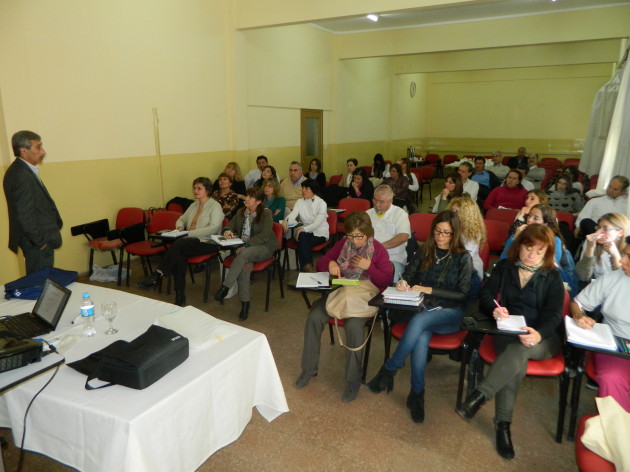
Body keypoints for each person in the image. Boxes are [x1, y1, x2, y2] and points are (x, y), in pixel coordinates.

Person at [457, 224, 565, 460]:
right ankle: (502, 425)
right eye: (528, 248)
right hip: (508, 331)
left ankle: (480, 397)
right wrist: (494, 311)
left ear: (547, 252)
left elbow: (554, 316)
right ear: (520, 246)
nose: (532, 255)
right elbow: (486, 296)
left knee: (517, 353)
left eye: (539, 251)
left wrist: (538, 334)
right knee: (515, 361)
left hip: (543, 337)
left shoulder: (553, 276)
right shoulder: (505, 267)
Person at [366, 211, 472, 423]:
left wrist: (429, 289)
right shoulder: (425, 250)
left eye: (446, 233)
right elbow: (408, 275)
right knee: (421, 335)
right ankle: (417, 394)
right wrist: (403, 283)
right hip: (422, 308)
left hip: (450, 313)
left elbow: (463, 293)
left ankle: (390, 369)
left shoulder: (462, 257)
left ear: (455, 234)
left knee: (419, 322)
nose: (440, 236)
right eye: (437, 231)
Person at [295, 211, 392, 402]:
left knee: (353, 327)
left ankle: (353, 381)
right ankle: (308, 369)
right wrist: (330, 262)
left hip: (363, 296)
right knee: (314, 317)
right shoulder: (342, 244)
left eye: (359, 236)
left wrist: (369, 267)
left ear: (368, 234)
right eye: (351, 236)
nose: (354, 241)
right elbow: (322, 264)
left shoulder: (379, 250)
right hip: (341, 292)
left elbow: (386, 280)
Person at [137, 177, 223, 306]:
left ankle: (157, 275)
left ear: (208, 190)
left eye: (199, 188)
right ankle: (180, 295)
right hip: (189, 241)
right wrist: (180, 227)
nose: (196, 190)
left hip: (208, 242)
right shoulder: (194, 205)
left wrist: (189, 233)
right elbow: (181, 219)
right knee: (179, 255)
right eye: (194, 188)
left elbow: (213, 228)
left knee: (178, 245)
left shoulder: (215, 206)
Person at [570, 239, 630, 413]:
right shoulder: (614, 277)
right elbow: (577, 303)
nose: (623, 260)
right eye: (624, 254)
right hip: (615, 346)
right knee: (612, 378)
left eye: (629, 256)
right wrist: (579, 316)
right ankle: (619, 432)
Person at [213, 188, 280, 321]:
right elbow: (229, 226)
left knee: (243, 254)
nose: (246, 199)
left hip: (264, 247)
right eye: (247, 196)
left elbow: (265, 235)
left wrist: (246, 245)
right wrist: (227, 231)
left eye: (250, 197)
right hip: (245, 250)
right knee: (244, 266)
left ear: (259, 202)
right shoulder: (240, 212)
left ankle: (226, 287)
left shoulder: (266, 214)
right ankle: (245, 304)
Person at [3, 130, 63, 274]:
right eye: (38, 147)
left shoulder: (22, 170)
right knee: (39, 284)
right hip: (37, 242)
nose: (43, 152)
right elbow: (24, 213)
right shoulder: (20, 175)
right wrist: (41, 241)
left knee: (41, 280)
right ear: (24, 151)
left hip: (36, 239)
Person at [366, 185, 411, 282]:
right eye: (375, 200)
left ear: (391, 201)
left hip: (393, 258)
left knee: (387, 282)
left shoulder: (400, 214)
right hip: (368, 257)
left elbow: (403, 236)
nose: (377, 204)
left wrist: (379, 247)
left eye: (381, 202)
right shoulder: (368, 214)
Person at [282, 180, 328, 272]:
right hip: (304, 233)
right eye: (302, 188)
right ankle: (308, 267)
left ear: (313, 190)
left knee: (302, 239)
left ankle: (305, 269)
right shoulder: (299, 202)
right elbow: (293, 215)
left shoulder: (321, 203)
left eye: (306, 188)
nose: (303, 191)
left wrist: (302, 229)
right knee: (303, 238)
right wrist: (285, 221)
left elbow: (317, 223)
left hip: (320, 233)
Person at [575, 213, 628, 282]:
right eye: (598, 227)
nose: (598, 232)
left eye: (605, 229)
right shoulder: (591, 243)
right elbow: (583, 277)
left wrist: (615, 255)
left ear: (620, 233)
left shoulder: (627, 249)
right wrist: (590, 248)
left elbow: (624, 281)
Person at [447, 196, 486, 283]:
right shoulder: (450, 225)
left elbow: (463, 257)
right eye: (452, 210)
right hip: (448, 263)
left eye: (457, 212)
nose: (453, 214)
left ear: (467, 215)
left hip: (468, 269)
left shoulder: (474, 232)